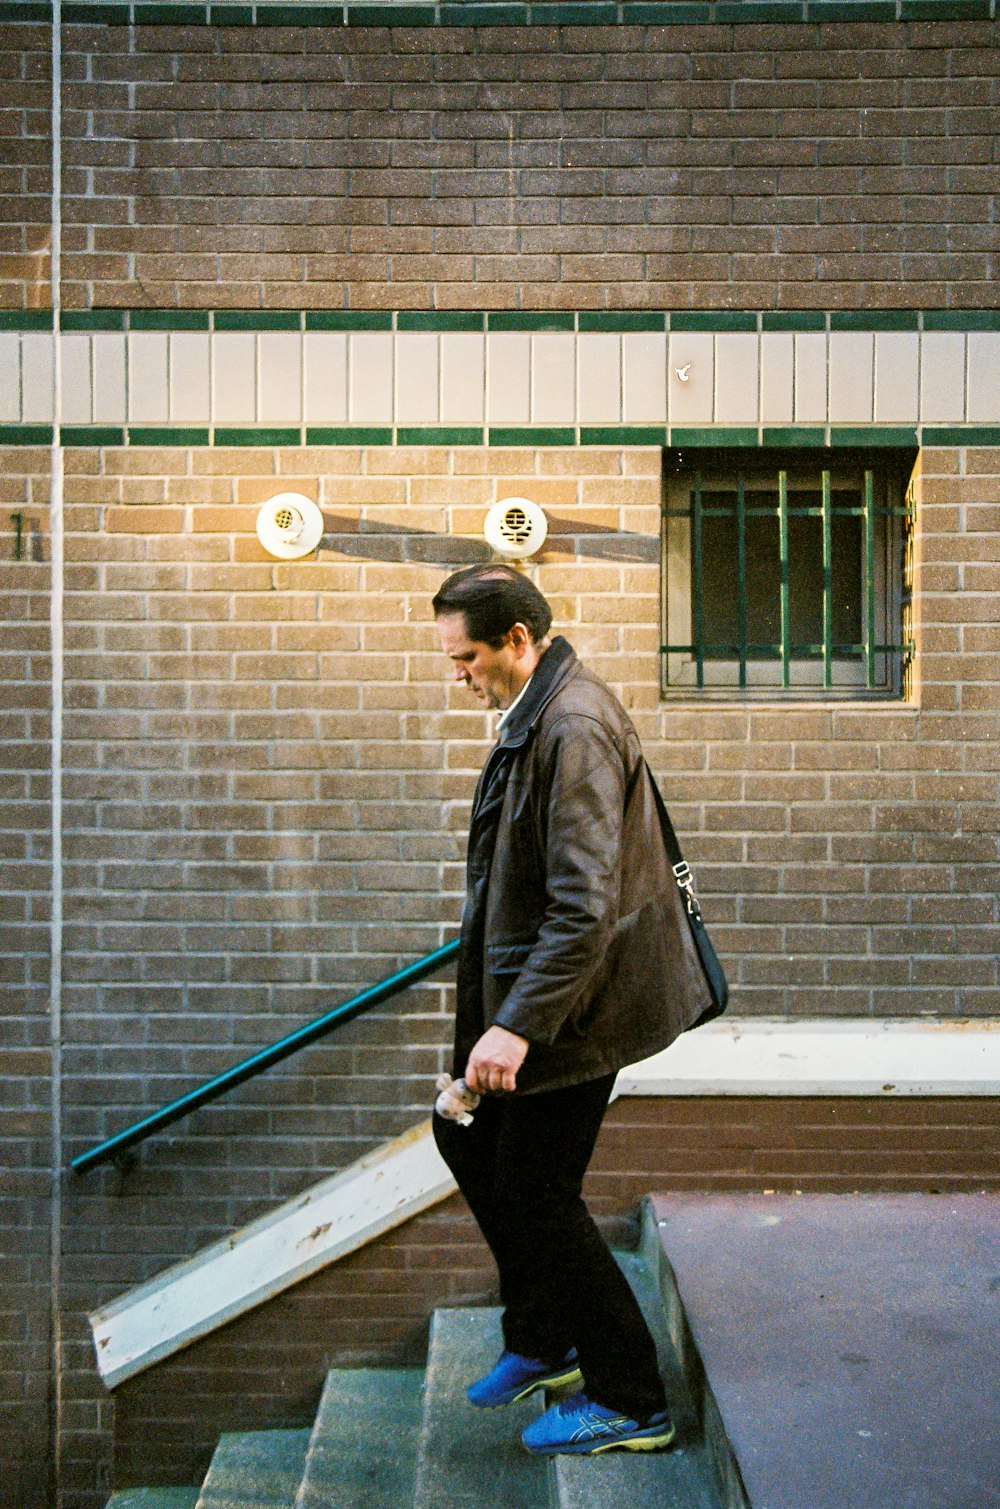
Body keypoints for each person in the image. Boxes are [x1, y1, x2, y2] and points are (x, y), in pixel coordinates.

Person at [430, 563, 713, 1457]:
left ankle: (631, 1396)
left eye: (468, 656)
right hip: (544, 993)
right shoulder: (537, 713)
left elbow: (582, 905)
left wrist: (515, 1025)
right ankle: (544, 1339)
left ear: (519, 637)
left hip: (580, 1006)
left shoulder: (575, 723)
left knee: (536, 1191)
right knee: (467, 1138)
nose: (459, 674)